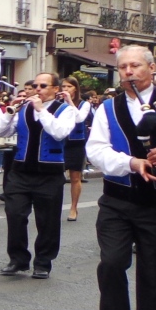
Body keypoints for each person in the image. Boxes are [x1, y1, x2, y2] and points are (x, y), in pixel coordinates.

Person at [87, 44, 156, 310]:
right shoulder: (107, 109)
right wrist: (132, 162)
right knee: (112, 263)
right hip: (117, 200)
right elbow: (96, 150)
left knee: (153, 272)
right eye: (123, 67)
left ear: (152, 68)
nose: (129, 72)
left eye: (135, 66)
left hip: (155, 206)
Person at [0, 72, 75, 279]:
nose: (38, 89)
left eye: (43, 86)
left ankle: (43, 262)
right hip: (20, 171)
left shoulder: (65, 110)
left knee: (47, 220)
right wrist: (9, 111)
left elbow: (59, 133)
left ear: (55, 89)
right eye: (36, 85)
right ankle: (18, 259)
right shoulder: (23, 109)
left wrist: (41, 110)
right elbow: (0, 131)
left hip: (49, 173)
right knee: (15, 214)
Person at [61, 76, 92, 221]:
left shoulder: (84, 104)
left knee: (75, 177)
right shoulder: (57, 103)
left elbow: (79, 118)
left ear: (75, 88)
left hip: (76, 143)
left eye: (69, 86)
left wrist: (70, 102)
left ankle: (73, 207)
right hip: (60, 142)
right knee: (55, 177)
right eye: (63, 87)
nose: (65, 89)